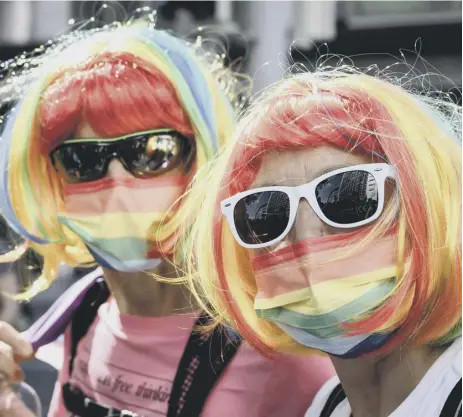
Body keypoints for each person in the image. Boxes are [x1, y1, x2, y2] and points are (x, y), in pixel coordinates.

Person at [0, 16, 334, 417]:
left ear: (203, 156)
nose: (117, 182)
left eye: (153, 152)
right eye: (82, 159)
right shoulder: (84, 313)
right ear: (47, 178)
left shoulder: (278, 348)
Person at [184, 66, 462, 417]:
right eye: (266, 213)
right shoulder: (326, 405)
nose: (305, 239)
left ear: (429, 209)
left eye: (348, 196)